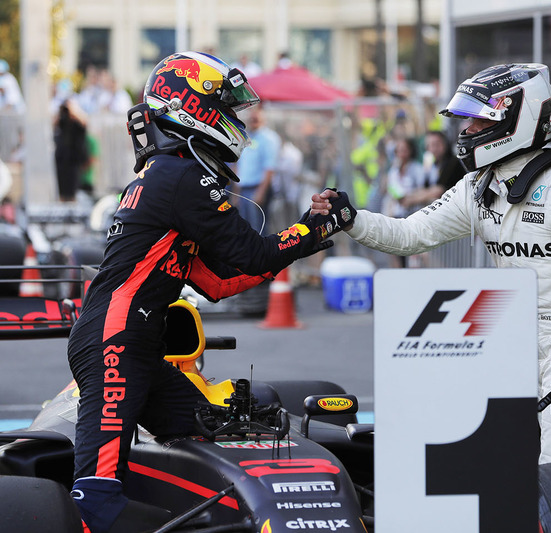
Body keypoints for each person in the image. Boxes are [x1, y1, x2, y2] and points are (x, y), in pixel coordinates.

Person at [66, 51, 355, 533]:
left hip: (133, 346)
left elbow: (217, 282)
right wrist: (312, 227)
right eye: (225, 105)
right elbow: (256, 254)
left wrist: (308, 238)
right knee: (96, 497)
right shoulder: (181, 176)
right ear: (190, 107)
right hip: (114, 344)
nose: (235, 118)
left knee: (211, 424)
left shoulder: (169, 174)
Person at [312, 63, 551, 463]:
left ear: (518, 121)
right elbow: (411, 235)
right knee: (505, 463)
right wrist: (351, 218)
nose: (464, 134)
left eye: (477, 123)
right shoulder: (476, 186)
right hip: (510, 338)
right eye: (465, 122)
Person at [233, 106, 281, 234]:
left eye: (256, 118)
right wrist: (236, 191)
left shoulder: (269, 138)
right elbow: (239, 165)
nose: (253, 120)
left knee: (258, 229)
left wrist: (261, 192)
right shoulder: (246, 136)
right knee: (245, 228)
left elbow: (270, 168)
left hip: (257, 188)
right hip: (244, 189)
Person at [400, 129, 465, 207]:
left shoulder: (453, 162)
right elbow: (425, 188)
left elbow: (438, 190)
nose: (433, 149)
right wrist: (409, 197)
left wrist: (413, 200)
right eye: (430, 145)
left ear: (445, 144)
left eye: (437, 144)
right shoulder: (432, 164)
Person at [53, 98, 90, 202]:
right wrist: (60, 111)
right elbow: (53, 125)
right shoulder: (62, 120)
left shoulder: (77, 121)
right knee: (62, 188)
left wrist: (74, 110)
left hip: (73, 158)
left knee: (73, 187)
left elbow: (85, 122)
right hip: (62, 157)